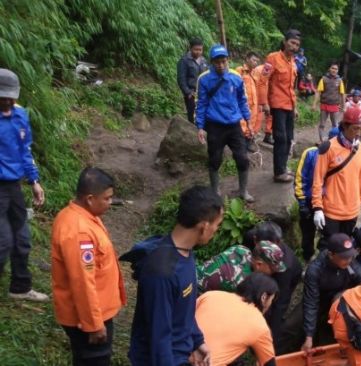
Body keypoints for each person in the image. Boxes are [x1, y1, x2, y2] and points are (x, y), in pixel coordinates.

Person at [121, 186, 221, 366]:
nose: (216, 230)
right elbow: (159, 336)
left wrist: (197, 341)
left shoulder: (185, 254)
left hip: (179, 355)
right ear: (204, 226)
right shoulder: (161, 272)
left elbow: (184, 311)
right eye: (217, 225)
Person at [51, 167, 126, 366]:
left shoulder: (82, 216)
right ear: (90, 199)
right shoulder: (79, 232)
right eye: (107, 198)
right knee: (95, 359)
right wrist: (93, 324)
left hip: (95, 311)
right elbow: (82, 281)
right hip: (89, 317)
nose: (110, 203)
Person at [0, 68, 48, 302]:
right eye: (2, 96)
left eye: (11, 96)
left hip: (14, 186)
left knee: (22, 238)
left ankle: (19, 287)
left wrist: (34, 181)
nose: (7, 100)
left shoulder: (20, 115)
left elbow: (24, 150)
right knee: (3, 242)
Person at [196, 44, 253, 202]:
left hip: (234, 126)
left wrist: (248, 121)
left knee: (242, 158)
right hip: (215, 126)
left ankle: (243, 191)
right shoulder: (205, 79)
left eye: (223, 61)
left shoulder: (236, 77)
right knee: (215, 160)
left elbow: (242, 100)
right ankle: (215, 191)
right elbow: (201, 103)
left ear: (228, 60)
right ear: (212, 62)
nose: (221, 65)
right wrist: (200, 127)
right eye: (217, 62)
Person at [312, 106, 361, 247]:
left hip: (352, 211)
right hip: (331, 211)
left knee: (345, 248)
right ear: (345, 126)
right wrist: (317, 208)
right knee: (329, 248)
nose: (358, 133)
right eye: (355, 128)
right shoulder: (328, 148)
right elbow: (318, 180)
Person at [302, 233, 361, 353]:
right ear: (331, 254)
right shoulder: (315, 270)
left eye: (350, 256)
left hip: (343, 298)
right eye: (344, 257)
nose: (348, 260)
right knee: (293, 327)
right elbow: (311, 303)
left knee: (340, 307)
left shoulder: (351, 263)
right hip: (320, 299)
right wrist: (309, 336)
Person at [195, 273, 278, 366]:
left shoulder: (210, 295)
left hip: (179, 355)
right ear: (264, 297)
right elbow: (269, 364)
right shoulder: (259, 324)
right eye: (271, 300)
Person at [253, 221, 303, 350]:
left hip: (288, 278)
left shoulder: (285, 267)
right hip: (264, 269)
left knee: (274, 308)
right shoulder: (253, 239)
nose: (273, 249)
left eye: (276, 244)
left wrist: (272, 337)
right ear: (255, 241)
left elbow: (280, 303)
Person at [294, 127, 340, 262]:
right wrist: (302, 203)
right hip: (309, 201)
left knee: (328, 235)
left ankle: (324, 260)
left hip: (329, 203)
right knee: (308, 234)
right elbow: (300, 178)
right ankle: (307, 258)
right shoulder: (310, 153)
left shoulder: (341, 157)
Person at [262, 30, 301, 183]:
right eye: (292, 43)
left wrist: (295, 107)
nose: (294, 47)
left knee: (289, 138)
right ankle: (278, 173)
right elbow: (263, 81)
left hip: (289, 105)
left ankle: (283, 168)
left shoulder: (293, 62)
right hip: (277, 104)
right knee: (281, 138)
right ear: (285, 42)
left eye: (297, 45)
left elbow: (291, 87)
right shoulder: (273, 58)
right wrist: (264, 102)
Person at [196, 241, 286, 292]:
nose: (273, 274)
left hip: (194, 272)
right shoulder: (241, 282)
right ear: (259, 264)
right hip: (196, 292)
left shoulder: (241, 249)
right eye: (272, 269)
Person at [176, 38, 209, 123]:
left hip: (203, 93)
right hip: (192, 94)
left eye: (200, 50)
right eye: (196, 49)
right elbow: (181, 79)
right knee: (192, 116)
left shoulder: (203, 60)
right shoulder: (184, 60)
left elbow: (207, 75)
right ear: (190, 48)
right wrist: (188, 92)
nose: (198, 52)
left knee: (204, 115)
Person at [313, 62, 346, 142]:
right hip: (324, 105)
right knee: (322, 124)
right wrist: (314, 104)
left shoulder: (340, 81)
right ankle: (321, 140)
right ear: (329, 69)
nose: (334, 70)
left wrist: (343, 106)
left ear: (338, 71)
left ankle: (334, 141)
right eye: (332, 68)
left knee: (335, 125)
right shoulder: (323, 79)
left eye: (336, 69)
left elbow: (342, 94)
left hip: (335, 105)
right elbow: (318, 92)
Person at [236, 52, 261, 152]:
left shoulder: (254, 73)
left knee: (252, 123)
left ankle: (248, 143)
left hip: (253, 103)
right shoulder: (240, 71)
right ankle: (240, 145)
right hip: (243, 103)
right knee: (242, 123)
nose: (255, 63)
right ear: (247, 59)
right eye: (253, 60)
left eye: (257, 61)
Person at [251, 62, 273, 144]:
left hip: (265, 95)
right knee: (257, 117)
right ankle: (250, 138)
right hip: (257, 97)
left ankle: (267, 134)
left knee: (266, 116)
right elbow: (261, 85)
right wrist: (263, 103)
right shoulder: (265, 69)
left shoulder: (263, 68)